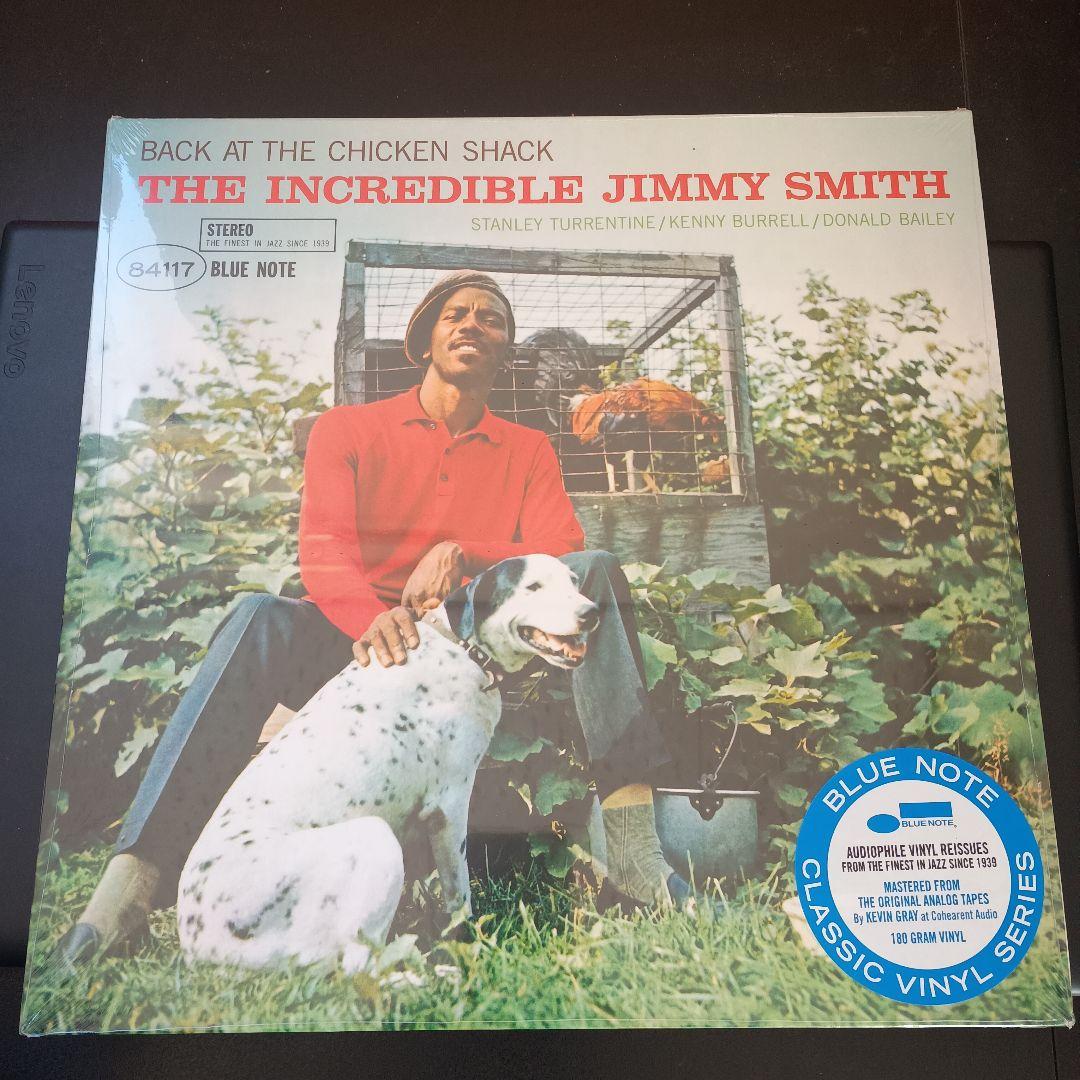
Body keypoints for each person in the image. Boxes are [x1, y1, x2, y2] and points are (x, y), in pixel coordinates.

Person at [54, 270, 699, 969]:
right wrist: (372, 617)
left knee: (596, 567)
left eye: (490, 317)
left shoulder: (527, 449)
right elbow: (323, 546)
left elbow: (561, 546)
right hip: (356, 646)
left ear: (506, 350)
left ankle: (635, 856)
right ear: (425, 341)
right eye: (455, 313)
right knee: (258, 616)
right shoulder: (349, 429)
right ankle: (127, 891)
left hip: (471, 656)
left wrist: (463, 553)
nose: (472, 323)